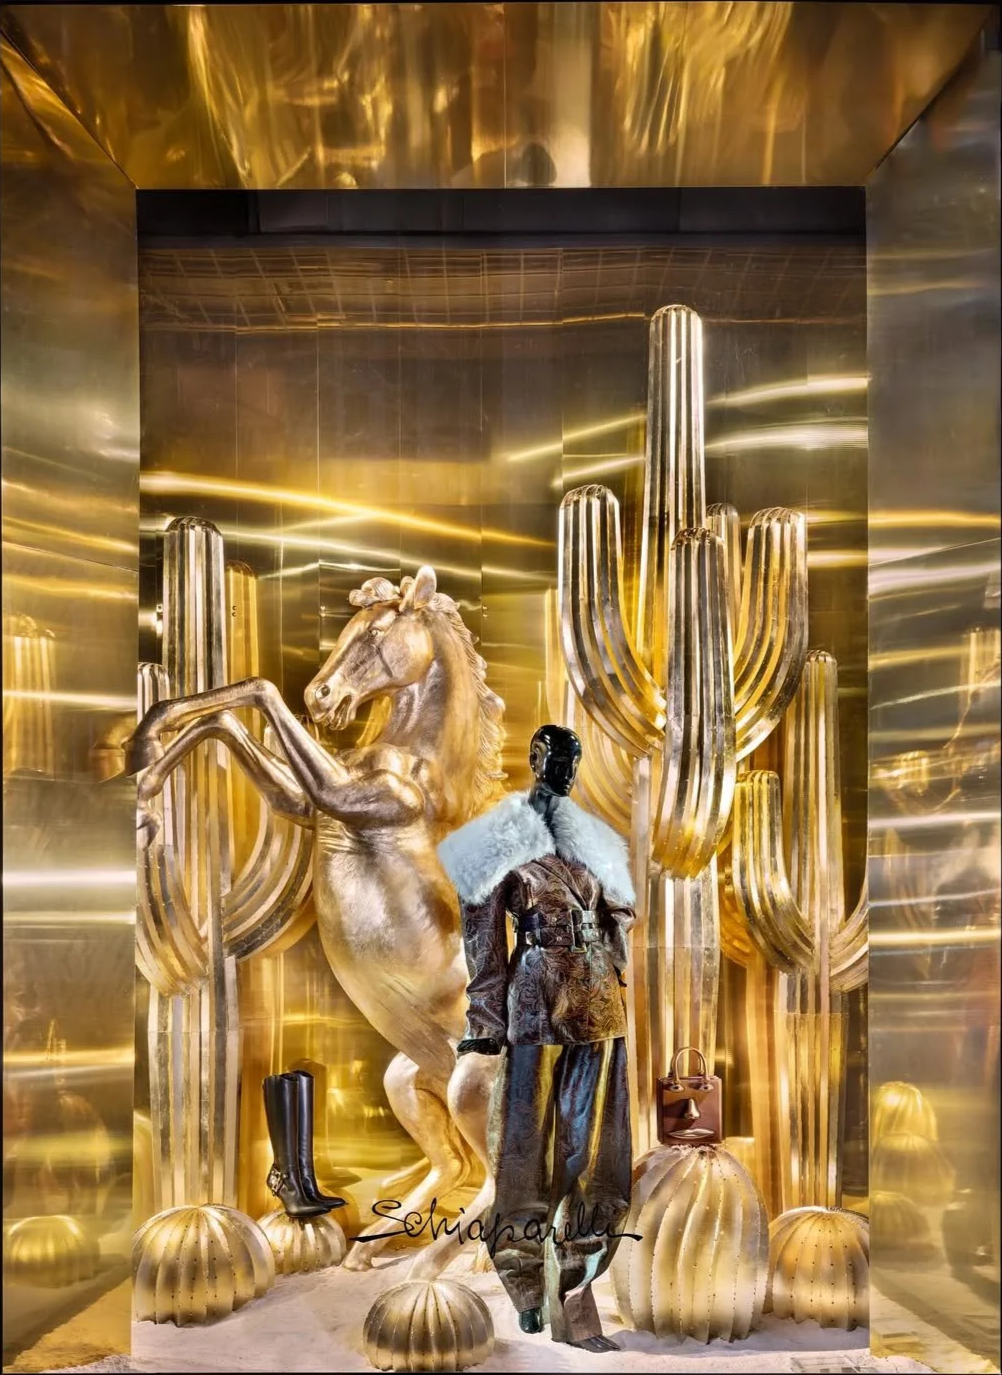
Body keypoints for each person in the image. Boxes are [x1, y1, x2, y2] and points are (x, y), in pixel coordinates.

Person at [438, 724, 635, 1351]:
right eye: (557, 757)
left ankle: (578, 1272)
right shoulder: (502, 837)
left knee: (595, 1146)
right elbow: (482, 938)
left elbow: (615, 917)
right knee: (526, 1148)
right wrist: (485, 1023)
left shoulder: (594, 838)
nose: (566, 769)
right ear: (535, 758)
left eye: (575, 759)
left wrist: (615, 959)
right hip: (535, 1001)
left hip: (598, 1001)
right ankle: (524, 1280)